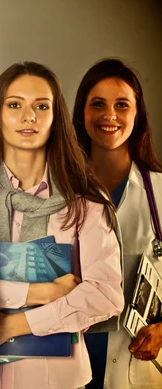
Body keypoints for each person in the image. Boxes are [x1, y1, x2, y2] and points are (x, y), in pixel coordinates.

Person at [0, 61, 124, 389]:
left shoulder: (85, 197)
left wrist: (15, 324)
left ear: (56, 119)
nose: (29, 116)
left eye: (41, 106)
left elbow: (106, 295)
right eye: (14, 105)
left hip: (59, 380)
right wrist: (43, 291)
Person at [73, 58, 162, 389]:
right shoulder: (57, 190)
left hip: (135, 366)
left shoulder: (160, 193)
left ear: (136, 115)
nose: (109, 115)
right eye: (97, 104)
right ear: (82, 114)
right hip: (66, 360)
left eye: (121, 105)